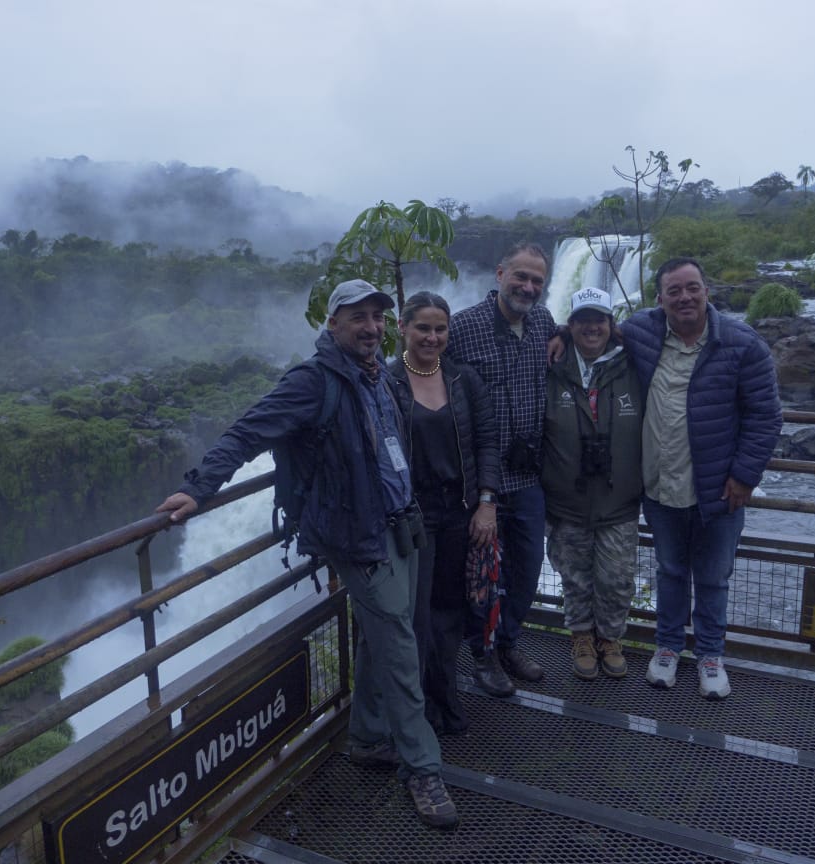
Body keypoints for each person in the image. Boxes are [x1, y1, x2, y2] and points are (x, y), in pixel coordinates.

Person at [154, 279, 459, 829]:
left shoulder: (376, 377)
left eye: (377, 317)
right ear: (333, 324)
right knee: (401, 647)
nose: (370, 327)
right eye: (357, 317)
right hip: (358, 536)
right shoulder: (312, 382)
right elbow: (248, 430)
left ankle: (366, 737)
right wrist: (200, 487)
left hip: (399, 527)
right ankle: (422, 766)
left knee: (383, 638)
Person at [621, 258, 782, 700]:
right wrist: (559, 337)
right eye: (674, 290)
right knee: (670, 570)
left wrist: (745, 477)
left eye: (692, 288)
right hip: (659, 485)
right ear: (660, 299)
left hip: (717, 490)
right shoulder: (641, 332)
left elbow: (765, 417)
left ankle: (711, 656)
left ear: (707, 291)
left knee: (712, 577)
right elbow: (592, 331)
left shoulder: (742, 343)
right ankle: (668, 648)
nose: (684, 297)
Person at [446, 242, 556, 696]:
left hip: (527, 475)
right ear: (499, 273)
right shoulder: (463, 327)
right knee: (481, 574)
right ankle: (482, 655)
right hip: (478, 479)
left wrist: (566, 335)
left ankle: (508, 641)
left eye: (537, 281)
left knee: (527, 568)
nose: (528, 287)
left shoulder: (544, 323)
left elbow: (570, 337)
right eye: (521, 277)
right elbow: (427, 372)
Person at [388, 291, 500, 735]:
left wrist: (487, 503)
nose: (432, 337)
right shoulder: (388, 382)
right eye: (423, 328)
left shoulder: (463, 380)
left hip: (461, 512)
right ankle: (421, 708)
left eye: (440, 329)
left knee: (451, 611)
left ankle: (445, 694)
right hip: (413, 519)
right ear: (402, 328)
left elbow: (487, 441)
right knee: (416, 616)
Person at [542, 287, 643, 680]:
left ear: (611, 325)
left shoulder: (634, 364)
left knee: (616, 579)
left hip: (619, 500)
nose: (591, 327)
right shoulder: (549, 367)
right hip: (567, 500)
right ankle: (581, 636)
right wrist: (557, 336)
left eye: (599, 319)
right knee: (575, 576)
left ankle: (611, 638)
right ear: (570, 325)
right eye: (582, 320)